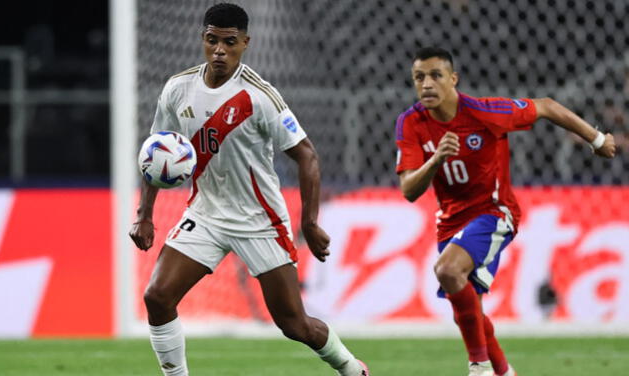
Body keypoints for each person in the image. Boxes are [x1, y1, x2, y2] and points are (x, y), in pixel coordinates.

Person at [129, 4, 369, 376]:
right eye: (212, 40)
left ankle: (352, 368)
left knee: (294, 324)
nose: (219, 50)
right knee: (157, 296)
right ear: (203, 39)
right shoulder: (177, 89)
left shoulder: (260, 97)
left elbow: (307, 156)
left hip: (259, 220)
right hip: (205, 214)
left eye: (229, 42)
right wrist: (144, 215)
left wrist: (309, 222)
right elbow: (155, 153)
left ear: (245, 43)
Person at [394, 47, 615, 376]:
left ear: (453, 79)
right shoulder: (410, 123)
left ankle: (479, 367)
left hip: (495, 212)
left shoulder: (484, 112)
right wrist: (435, 159)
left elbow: (545, 106)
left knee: (448, 271)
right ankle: (502, 371)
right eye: (419, 77)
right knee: (470, 308)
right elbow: (409, 190)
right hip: (451, 222)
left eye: (435, 75)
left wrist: (596, 139)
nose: (426, 84)